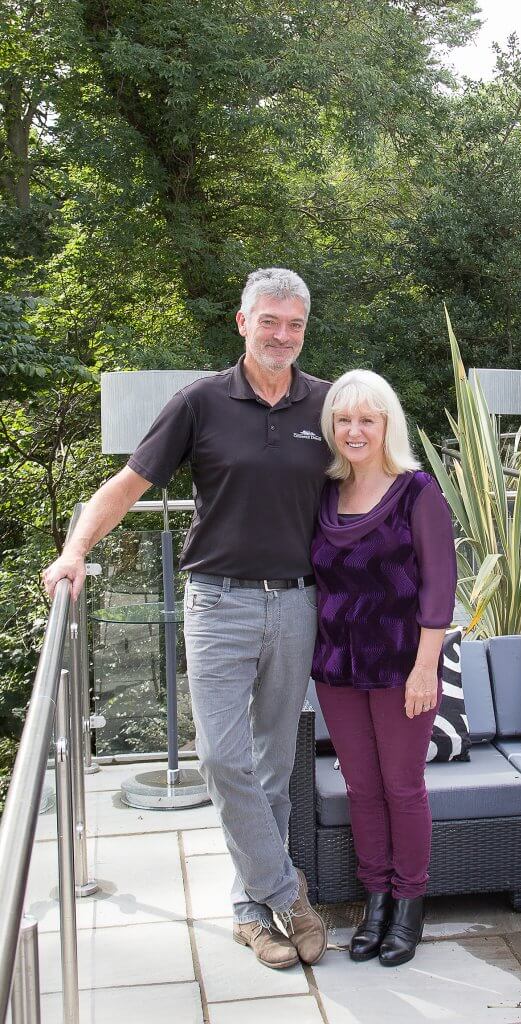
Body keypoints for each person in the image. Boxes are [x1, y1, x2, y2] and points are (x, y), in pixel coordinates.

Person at [42, 268, 330, 970]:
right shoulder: (200, 402)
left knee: (273, 765)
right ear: (243, 323)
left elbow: (372, 486)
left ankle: (249, 914)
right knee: (222, 759)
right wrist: (75, 550)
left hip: (297, 603)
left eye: (293, 324)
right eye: (270, 321)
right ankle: (286, 893)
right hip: (217, 603)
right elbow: (128, 484)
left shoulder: (325, 404)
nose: (281, 336)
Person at [311, 369, 458, 967]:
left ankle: (408, 908)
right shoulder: (323, 492)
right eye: (343, 420)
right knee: (362, 789)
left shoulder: (417, 491)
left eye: (366, 420)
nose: (353, 430)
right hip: (336, 667)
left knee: (402, 787)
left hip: (402, 665)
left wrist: (428, 668)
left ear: (386, 425)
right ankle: (374, 904)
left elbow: (440, 586)